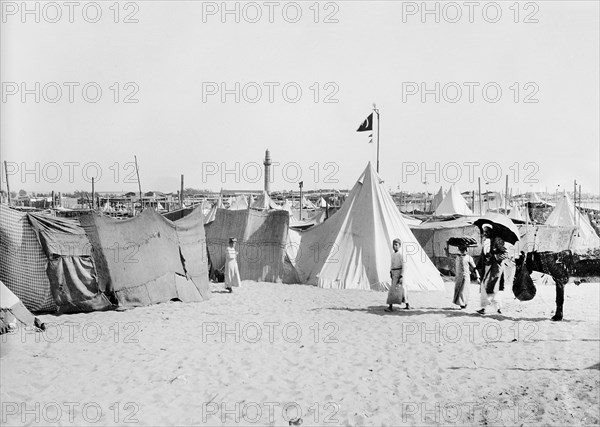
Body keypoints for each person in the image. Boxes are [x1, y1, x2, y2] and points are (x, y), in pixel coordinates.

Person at [477, 224, 508, 315]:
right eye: (484, 232)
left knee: (491, 287)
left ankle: (484, 308)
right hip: (487, 267)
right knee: (487, 287)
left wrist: (494, 256)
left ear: (491, 232)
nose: (485, 233)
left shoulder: (497, 240)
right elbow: (483, 254)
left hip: (495, 268)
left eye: (487, 232)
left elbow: (505, 253)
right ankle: (497, 308)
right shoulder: (485, 241)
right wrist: (478, 265)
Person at [385, 238, 410, 311]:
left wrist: (401, 276)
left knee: (402, 289)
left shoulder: (401, 254)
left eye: (396, 245)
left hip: (399, 273)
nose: (394, 246)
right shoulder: (392, 254)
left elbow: (404, 266)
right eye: (393, 245)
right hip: (394, 273)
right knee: (392, 289)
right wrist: (390, 272)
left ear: (399, 246)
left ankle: (407, 304)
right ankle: (390, 306)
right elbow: (392, 264)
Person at [453, 244, 480, 309]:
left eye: (463, 250)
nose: (462, 252)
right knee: (458, 290)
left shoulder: (469, 258)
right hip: (459, 276)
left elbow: (474, 267)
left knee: (464, 290)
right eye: (461, 250)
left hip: (466, 276)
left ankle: (463, 304)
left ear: (466, 251)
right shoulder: (457, 257)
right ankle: (461, 303)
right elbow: (449, 256)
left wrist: (478, 276)